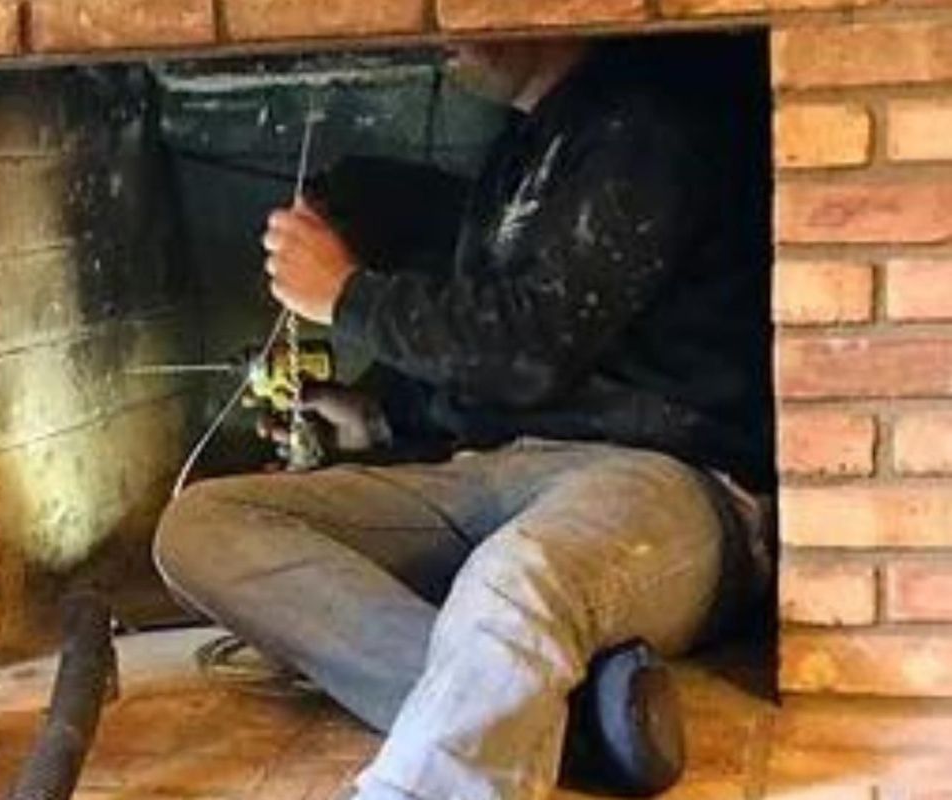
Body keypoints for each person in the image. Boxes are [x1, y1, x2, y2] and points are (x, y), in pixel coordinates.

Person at [154, 33, 775, 800]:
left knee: (517, 576)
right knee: (203, 526)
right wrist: (380, 417)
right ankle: (572, 720)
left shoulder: (649, 123)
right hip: (491, 471)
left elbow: (534, 345)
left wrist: (345, 296)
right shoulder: (522, 146)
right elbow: (493, 346)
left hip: (663, 478)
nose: (437, 26)